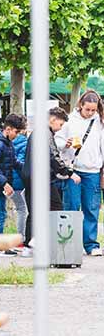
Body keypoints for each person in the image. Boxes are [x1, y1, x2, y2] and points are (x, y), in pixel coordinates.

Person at [18, 107, 79, 255]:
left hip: (30, 176)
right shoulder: (46, 133)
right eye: (60, 125)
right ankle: (51, 242)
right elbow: (53, 157)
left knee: (34, 211)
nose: (60, 129)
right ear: (53, 120)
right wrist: (69, 172)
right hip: (42, 178)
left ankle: (30, 244)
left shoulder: (36, 133)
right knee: (56, 207)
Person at [64, 90, 104, 255]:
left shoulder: (100, 122)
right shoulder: (70, 120)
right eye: (87, 109)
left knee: (91, 208)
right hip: (74, 170)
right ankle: (69, 244)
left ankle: (91, 245)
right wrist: (65, 145)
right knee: (71, 207)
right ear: (81, 105)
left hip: (93, 171)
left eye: (93, 110)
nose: (90, 113)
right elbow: (59, 142)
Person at [0, 113, 26, 256]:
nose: (17, 135)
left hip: (2, 183)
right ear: (8, 129)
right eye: (16, 132)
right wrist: (4, 183)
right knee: (0, 213)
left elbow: (14, 162)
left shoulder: (8, 144)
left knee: (1, 212)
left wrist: (27, 169)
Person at [9, 127, 29, 244]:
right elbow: (21, 164)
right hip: (17, 181)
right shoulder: (24, 143)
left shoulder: (7, 141)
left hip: (7, 179)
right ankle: (21, 238)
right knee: (22, 209)